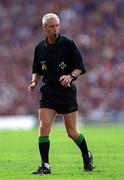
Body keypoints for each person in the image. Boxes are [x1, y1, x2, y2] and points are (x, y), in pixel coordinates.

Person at [28, 13, 93, 175]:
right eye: (51, 26)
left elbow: (80, 67)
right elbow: (36, 69)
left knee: (71, 132)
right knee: (43, 127)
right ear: (44, 28)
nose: (55, 29)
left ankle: (87, 155)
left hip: (66, 92)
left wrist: (70, 76)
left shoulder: (68, 44)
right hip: (48, 92)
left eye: (57, 25)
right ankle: (45, 165)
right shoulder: (39, 48)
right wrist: (34, 82)